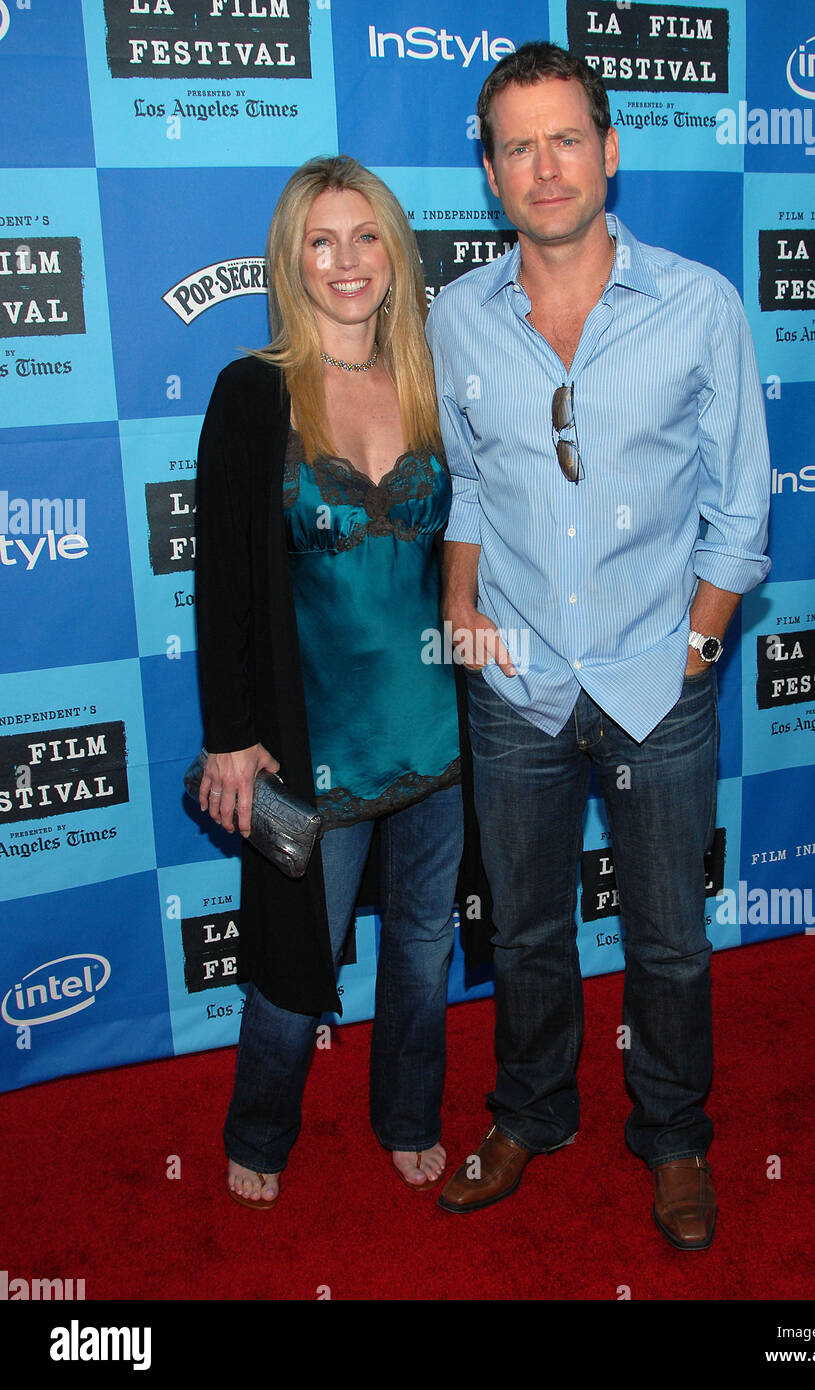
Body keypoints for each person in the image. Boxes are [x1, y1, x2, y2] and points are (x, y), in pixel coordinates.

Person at [426, 43, 771, 1249]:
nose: (544, 165)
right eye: (516, 145)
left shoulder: (699, 304)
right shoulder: (454, 317)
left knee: (669, 937)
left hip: (655, 680)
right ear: (489, 172)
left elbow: (741, 506)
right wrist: (460, 609)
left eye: (564, 137)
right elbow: (467, 485)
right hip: (513, 684)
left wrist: (698, 639)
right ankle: (529, 1111)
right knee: (522, 929)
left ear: (608, 150)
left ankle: (672, 1134)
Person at [194, 155, 463, 1207]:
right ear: (291, 259)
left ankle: (407, 1116)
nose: (346, 261)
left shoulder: (432, 381)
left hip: (441, 730)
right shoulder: (252, 392)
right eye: (321, 240)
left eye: (365, 238)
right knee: (290, 960)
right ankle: (260, 1125)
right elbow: (220, 581)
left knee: (422, 948)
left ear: (394, 256)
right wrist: (230, 735)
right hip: (317, 743)